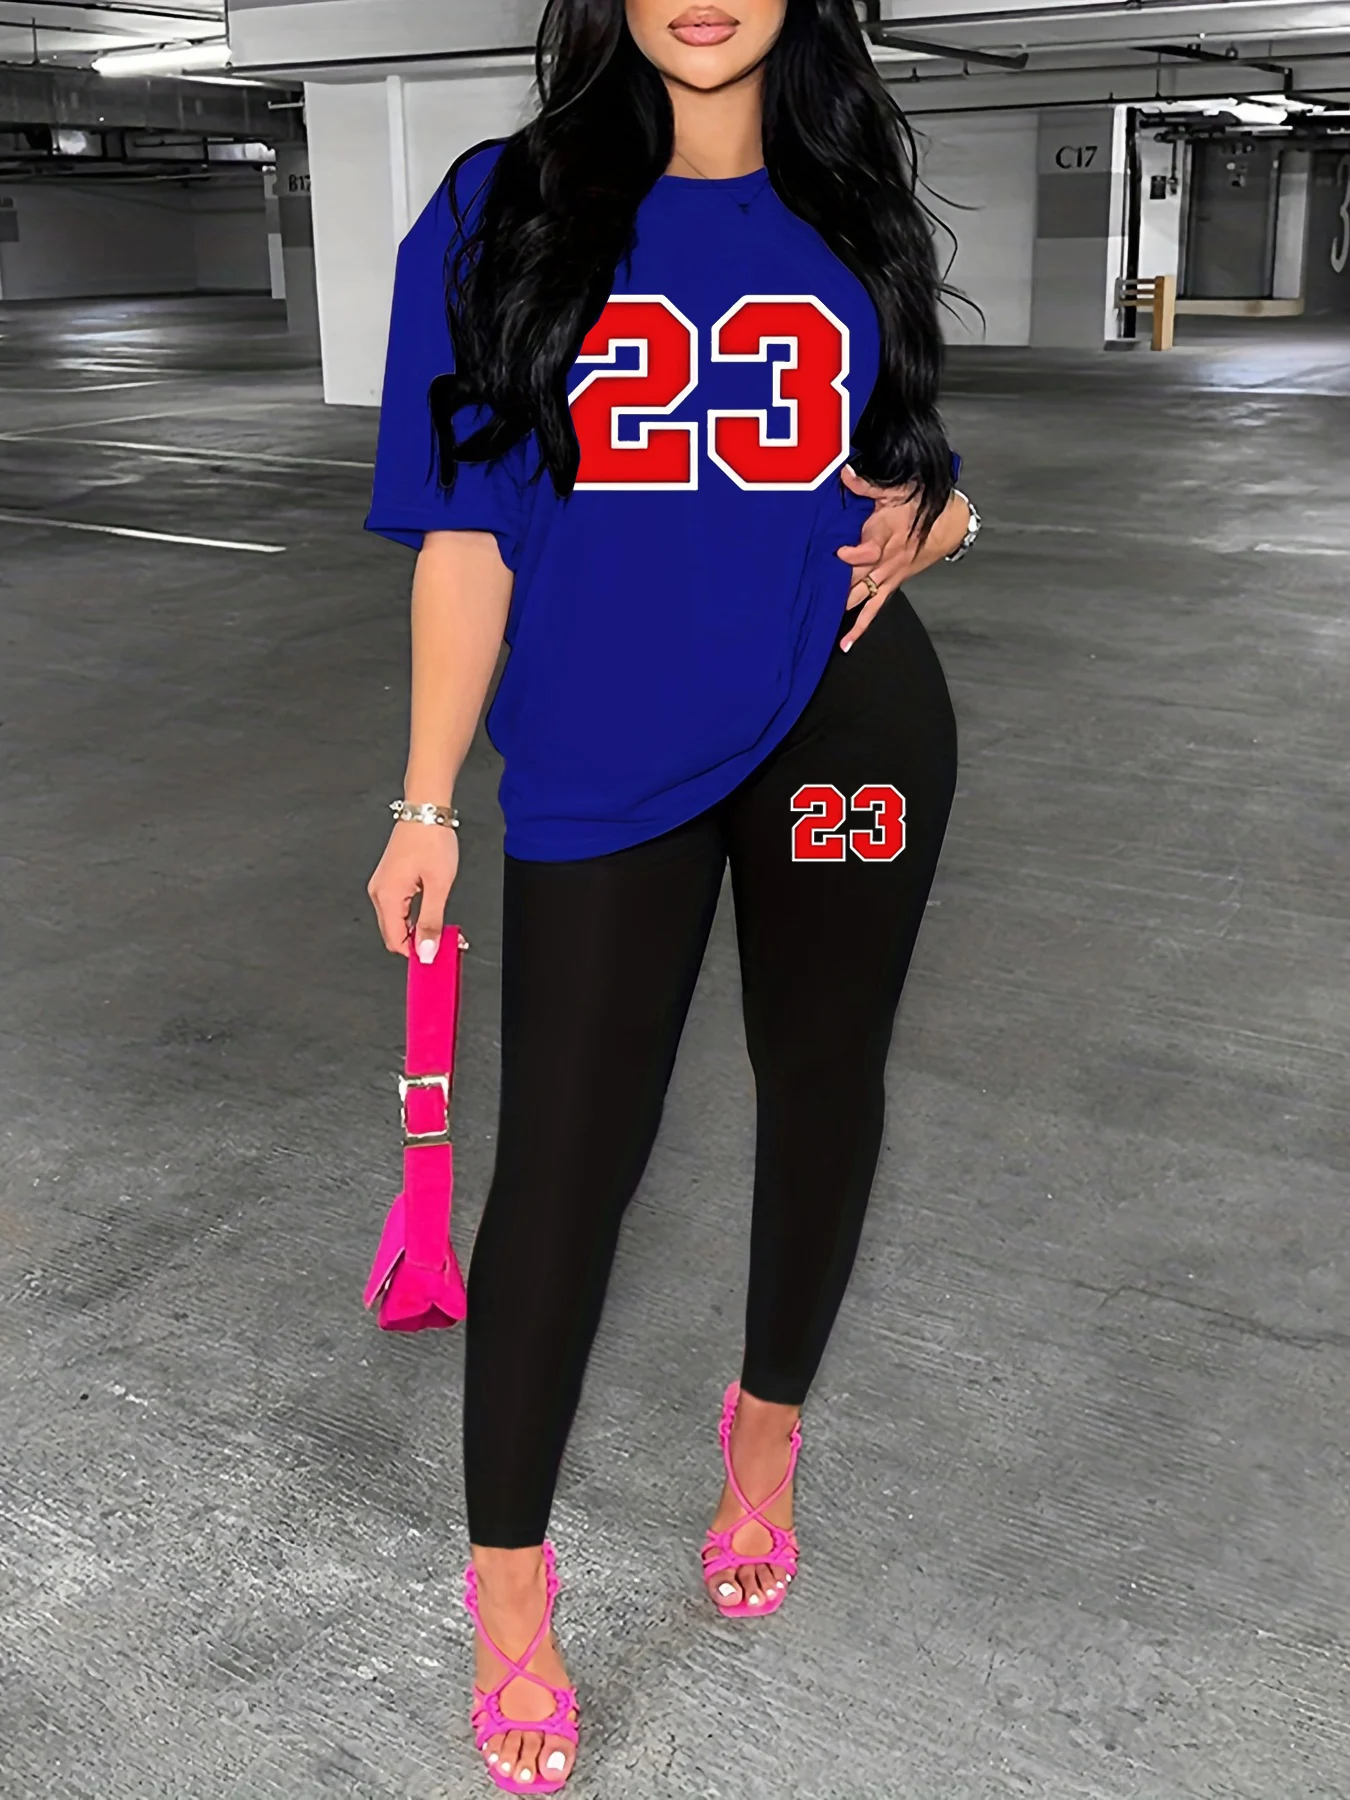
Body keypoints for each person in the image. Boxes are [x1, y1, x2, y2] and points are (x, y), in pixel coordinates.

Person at [365, 1, 980, 1790]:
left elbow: (912, 463)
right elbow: (466, 531)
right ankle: (508, 1586)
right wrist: (426, 799)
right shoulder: (500, 205)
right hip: (602, 745)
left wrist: (945, 515)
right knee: (564, 1157)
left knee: (822, 1085)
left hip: (846, 725)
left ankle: (763, 1434)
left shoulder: (848, 196)